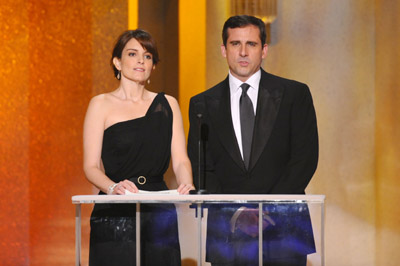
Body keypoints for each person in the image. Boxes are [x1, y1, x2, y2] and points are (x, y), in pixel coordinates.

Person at [188, 15, 319, 265]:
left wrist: (266, 210)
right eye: (236, 44)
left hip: (283, 229)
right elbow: (201, 165)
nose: (244, 52)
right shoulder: (202, 103)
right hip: (227, 233)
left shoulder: (295, 94)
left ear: (264, 50)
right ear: (223, 50)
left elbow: (305, 158)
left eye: (252, 44)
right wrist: (238, 213)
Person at [83, 29, 194, 266]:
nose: (141, 61)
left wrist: (187, 184)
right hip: (114, 209)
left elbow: (181, 160)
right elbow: (91, 167)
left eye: (148, 56)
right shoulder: (100, 104)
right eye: (132, 54)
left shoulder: (168, 104)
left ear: (153, 65)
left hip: (158, 209)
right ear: (117, 62)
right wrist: (113, 188)